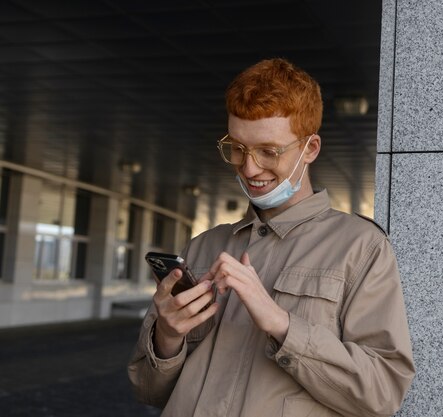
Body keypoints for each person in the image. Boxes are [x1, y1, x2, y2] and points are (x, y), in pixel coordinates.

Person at [128, 58, 415, 417]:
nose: (249, 168)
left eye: (269, 151)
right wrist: (167, 337)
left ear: (310, 148)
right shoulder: (202, 246)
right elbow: (148, 391)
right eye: (237, 147)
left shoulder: (361, 248)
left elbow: (382, 393)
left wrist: (280, 324)